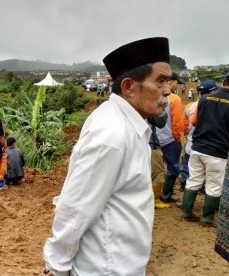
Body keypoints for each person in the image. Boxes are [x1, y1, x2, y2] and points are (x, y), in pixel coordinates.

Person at [42, 37, 172, 276]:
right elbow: (76, 208)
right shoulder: (112, 135)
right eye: (160, 81)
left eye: (169, 81)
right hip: (106, 268)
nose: (168, 90)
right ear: (129, 87)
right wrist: (56, 266)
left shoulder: (128, 123)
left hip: (122, 262)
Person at [182, 77, 229, 226]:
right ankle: (207, 217)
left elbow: (194, 121)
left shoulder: (205, 99)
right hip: (218, 151)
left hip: (197, 147)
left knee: (193, 179)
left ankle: (186, 212)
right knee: (214, 185)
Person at [156, 72, 184, 203]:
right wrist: (178, 138)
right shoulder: (175, 99)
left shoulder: (155, 96)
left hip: (154, 139)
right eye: (176, 83)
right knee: (174, 168)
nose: (176, 86)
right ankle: (166, 194)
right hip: (169, 138)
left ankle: (156, 193)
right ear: (171, 82)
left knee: (155, 168)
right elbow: (177, 122)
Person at [148, 113, 171, 208]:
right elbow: (160, 122)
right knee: (159, 173)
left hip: (134, 143)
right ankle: (154, 200)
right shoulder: (146, 103)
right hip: (150, 144)